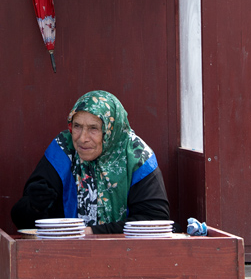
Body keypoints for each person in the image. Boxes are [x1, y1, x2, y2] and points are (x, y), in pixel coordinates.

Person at [11, 90, 170, 233]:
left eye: (93, 128)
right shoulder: (63, 149)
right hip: (65, 255)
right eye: (77, 126)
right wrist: (34, 206)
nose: (82, 138)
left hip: (128, 257)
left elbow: (155, 222)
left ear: (111, 131)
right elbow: (22, 221)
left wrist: (91, 233)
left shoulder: (138, 157)